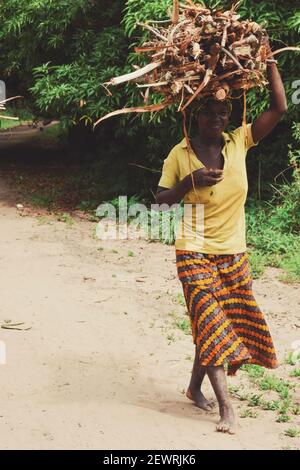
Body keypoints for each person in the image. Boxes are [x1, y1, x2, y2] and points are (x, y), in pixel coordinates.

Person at [156, 42, 287, 434]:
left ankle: (195, 385)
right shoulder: (179, 154)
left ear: (230, 113)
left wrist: (269, 62)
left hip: (234, 253)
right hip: (193, 251)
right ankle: (226, 407)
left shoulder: (240, 141)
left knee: (212, 324)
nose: (217, 117)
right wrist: (188, 183)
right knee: (212, 324)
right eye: (208, 111)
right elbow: (161, 202)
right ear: (194, 116)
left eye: (223, 110)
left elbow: (279, 107)